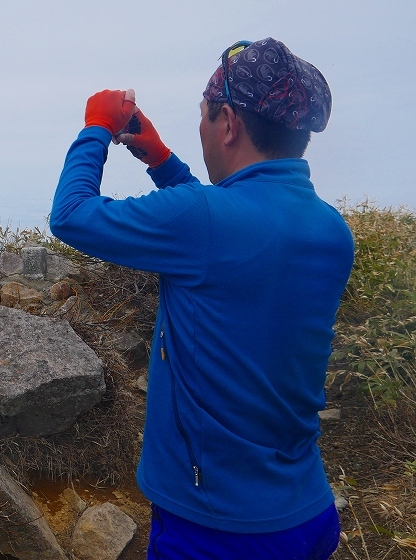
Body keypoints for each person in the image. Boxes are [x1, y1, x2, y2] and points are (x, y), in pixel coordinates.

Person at [50, 38, 353, 559]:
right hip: (305, 512)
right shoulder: (330, 230)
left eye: (207, 117)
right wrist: (159, 157)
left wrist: (96, 127)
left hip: (217, 528)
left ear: (229, 123)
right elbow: (222, 228)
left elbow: (71, 214)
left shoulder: (204, 221)